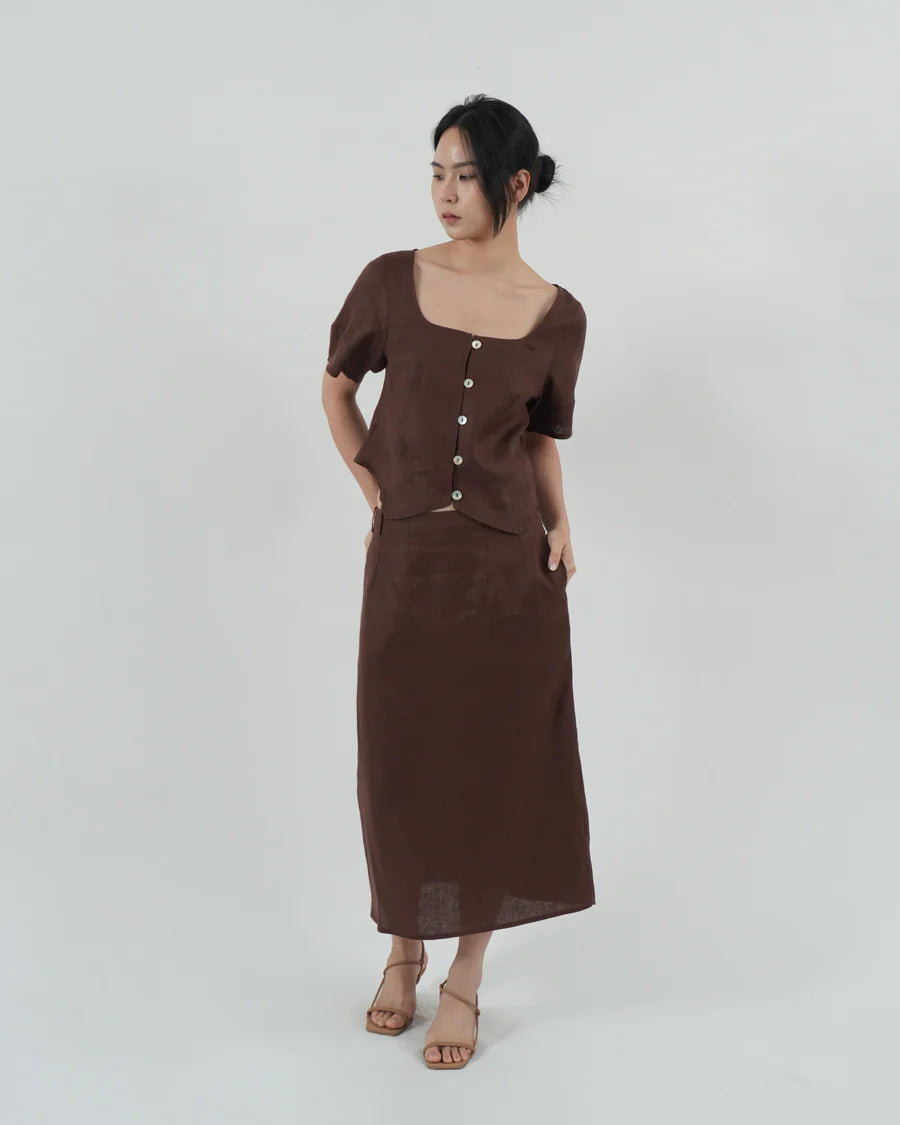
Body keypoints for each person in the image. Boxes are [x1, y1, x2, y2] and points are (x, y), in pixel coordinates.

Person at [321, 94, 596, 1070]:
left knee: (493, 766)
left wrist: (562, 521)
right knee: (397, 763)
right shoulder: (391, 281)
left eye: (465, 175)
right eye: (435, 172)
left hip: (509, 574)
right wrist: (378, 494)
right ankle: (402, 949)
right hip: (409, 565)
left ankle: (465, 977)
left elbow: (540, 439)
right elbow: (337, 386)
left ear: (514, 183)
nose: (444, 192)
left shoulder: (559, 315)